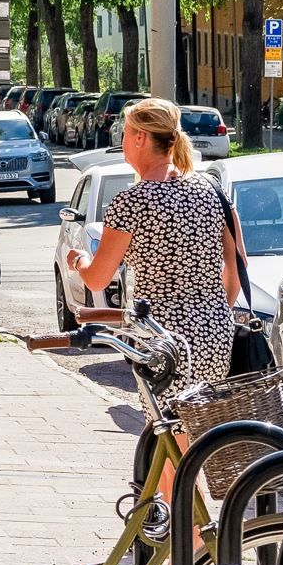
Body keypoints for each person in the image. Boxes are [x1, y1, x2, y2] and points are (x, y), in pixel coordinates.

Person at [66, 97, 241, 390]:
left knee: (171, 426)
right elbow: (237, 268)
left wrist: (79, 260)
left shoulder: (132, 202)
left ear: (140, 138)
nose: (122, 140)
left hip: (162, 337)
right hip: (217, 331)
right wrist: (214, 313)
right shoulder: (213, 191)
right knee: (204, 421)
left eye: (125, 132)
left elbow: (97, 280)